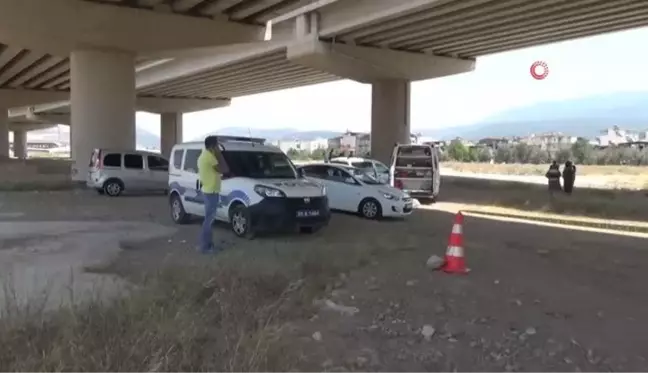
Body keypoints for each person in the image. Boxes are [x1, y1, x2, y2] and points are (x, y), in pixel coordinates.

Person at [197, 135, 229, 254]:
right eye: (217, 145)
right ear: (212, 146)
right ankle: (205, 247)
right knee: (209, 221)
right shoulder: (210, 157)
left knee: (208, 219)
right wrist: (219, 153)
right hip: (211, 192)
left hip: (208, 190)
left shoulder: (203, 155)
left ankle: (207, 245)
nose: (218, 147)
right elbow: (224, 169)